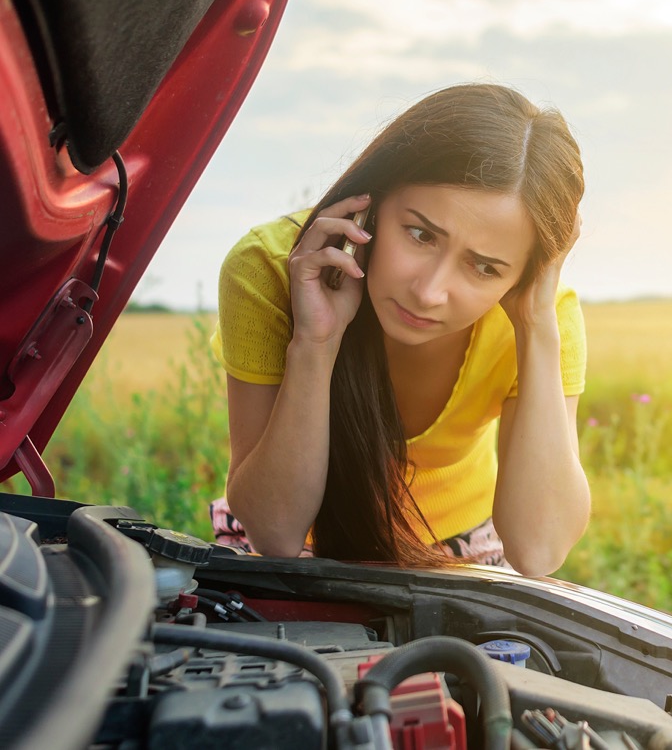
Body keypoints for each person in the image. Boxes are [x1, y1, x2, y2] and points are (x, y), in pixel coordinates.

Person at [209, 83, 589, 576]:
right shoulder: (272, 268)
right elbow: (276, 534)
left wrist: (537, 326)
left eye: (485, 268)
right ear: (373, 202)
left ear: (524, 274)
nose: (430, 291)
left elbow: (539, 552)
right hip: (294, 553)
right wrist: (315, 343)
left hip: (460, 547)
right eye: (420, 234)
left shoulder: (537, 315)